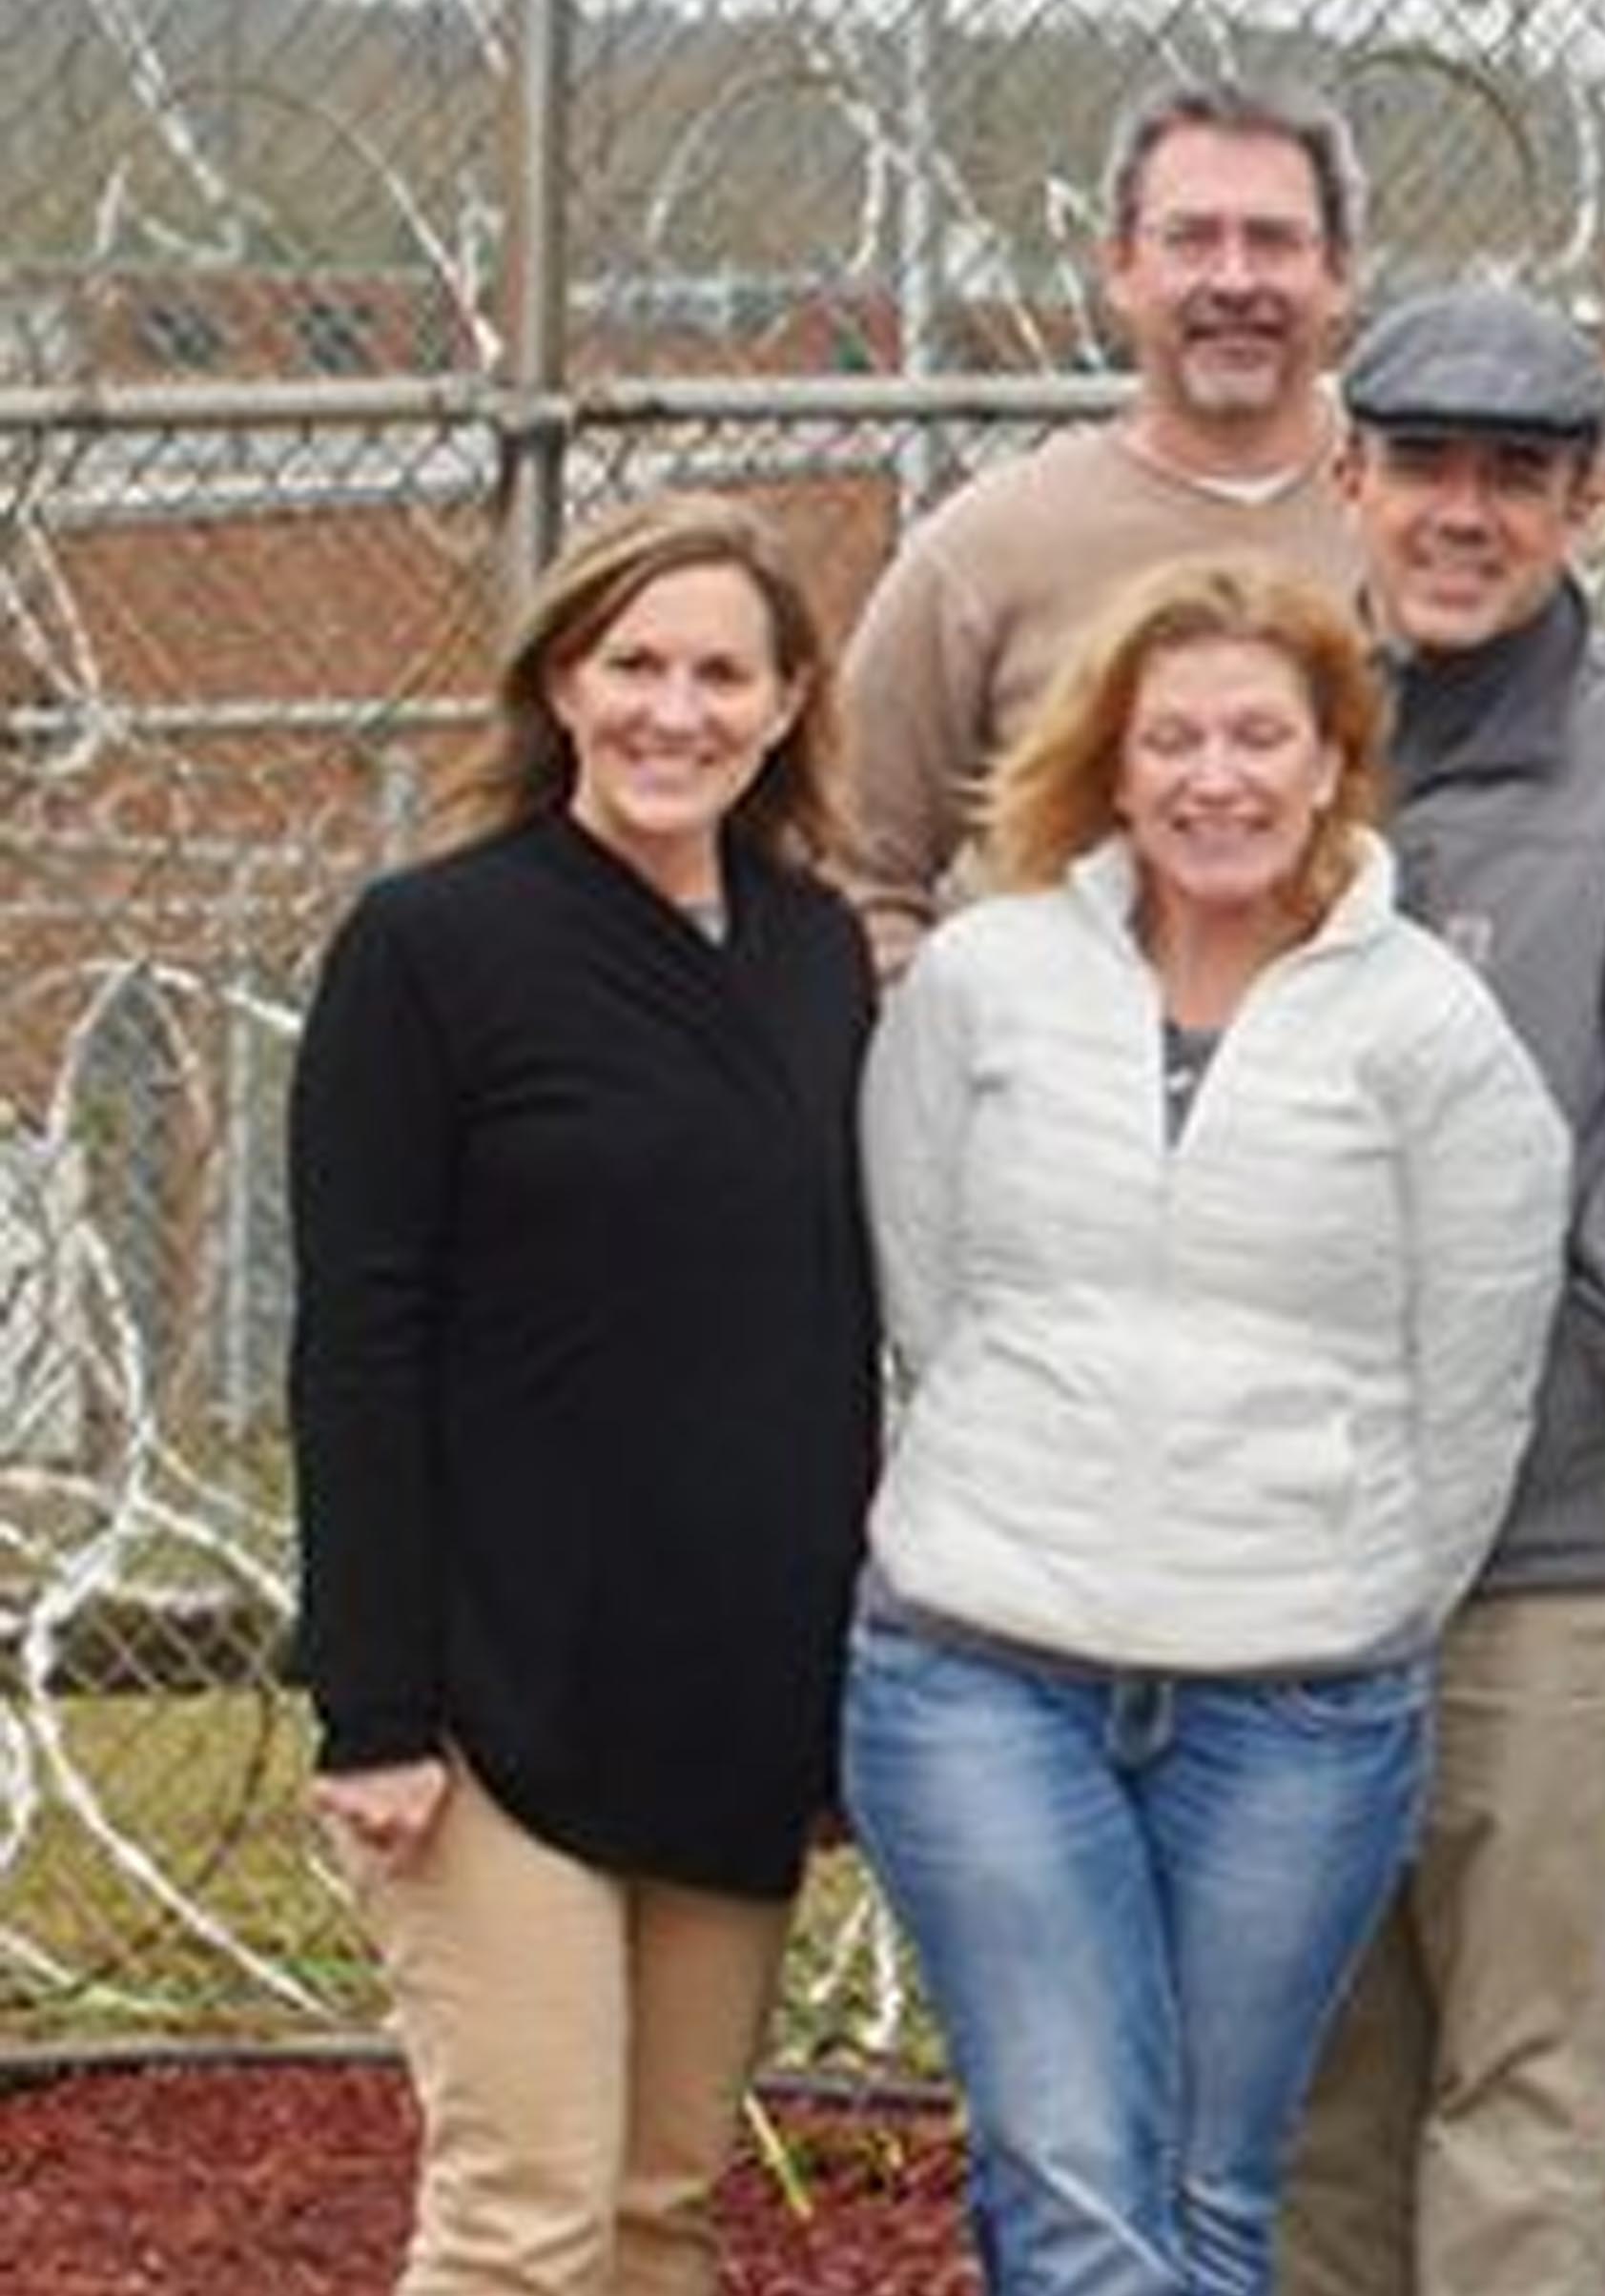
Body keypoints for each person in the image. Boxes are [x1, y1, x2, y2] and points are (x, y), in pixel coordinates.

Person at [847, 557, 1574, 2294]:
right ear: (1110, 762)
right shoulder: (984, 982)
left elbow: (1470, 1377)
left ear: (1336, 760)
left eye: (1261, 733)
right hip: (983, 1665)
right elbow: (930, 1298)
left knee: (1212, 2193)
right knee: (1076, 2177)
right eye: (1172, 738)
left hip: (1301, 1699)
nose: (1217, 778)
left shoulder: (1430, 1031)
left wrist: (1358, 1584)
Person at [284, 494, 880, 2296]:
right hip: (492, 1700)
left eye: (720, 673)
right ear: (560, 680)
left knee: (659, 2207)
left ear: (787, 706)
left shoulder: (812, 955)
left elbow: (825, 1316)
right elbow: (359, 1334)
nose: (672, 712)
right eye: (633, 665)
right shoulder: (432, 948)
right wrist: (376, 1699)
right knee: (523, 2218)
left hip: (729, 1686)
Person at [1282, 291, 1605, 2294]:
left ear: (1591, 497)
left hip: (1555, 1541)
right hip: (1288, 1536)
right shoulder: (1277, 731)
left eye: (1520, 471)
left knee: (1525, 2077)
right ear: (1350, 476)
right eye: (1425, 462)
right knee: (1315, 2078)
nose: (1467, 510)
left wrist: (1552, 1393)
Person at [830, 76, 1375, 968]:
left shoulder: (1421, 534)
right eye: (1191, 239)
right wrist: (958, 1048)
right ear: (1119, 266)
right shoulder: (989, 550)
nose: (1234, 280)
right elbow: (853, 864)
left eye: (1274, 241)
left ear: (1340, 274)